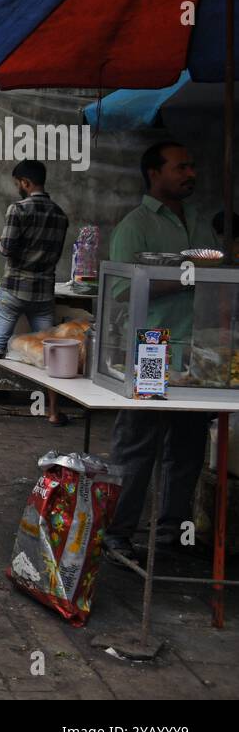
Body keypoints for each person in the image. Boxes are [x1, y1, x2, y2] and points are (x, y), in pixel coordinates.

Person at [104, 140, 220, 564]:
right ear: (154, 173)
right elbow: (121, 288)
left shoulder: (199, 222)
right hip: (152, 348)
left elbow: (217, 275)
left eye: (191, 166)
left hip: (198, 349)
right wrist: (188, 277)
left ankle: (171, 530)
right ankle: (117, 533)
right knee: (138, 444)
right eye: (181, 166)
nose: (190, 173)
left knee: (188, 447)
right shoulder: (134, 226)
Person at [0, 159, 69, 426]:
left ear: (25, 182)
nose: (18, 189)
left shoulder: (18, 209)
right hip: (43, 293)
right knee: (51, 352)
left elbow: (9, 248)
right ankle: (54, 412)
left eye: (18, 184)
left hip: (13, 290)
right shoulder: (60, 215)